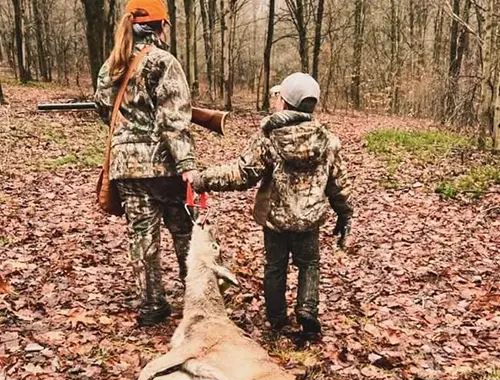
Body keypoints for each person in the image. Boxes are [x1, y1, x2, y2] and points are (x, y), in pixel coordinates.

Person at [187, 73, 353, 342]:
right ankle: (307, 309)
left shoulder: (269, 137)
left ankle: (277, 319)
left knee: (275, 267)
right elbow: (338, 183)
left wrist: (204, 179)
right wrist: (345, 212)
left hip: (275, 220)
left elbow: (241, 174)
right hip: (309, 220)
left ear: (286, 103)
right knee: (309, 264)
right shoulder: (328, 140)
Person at [95, 0, 197, 327]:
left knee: (142, 236)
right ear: (161, 25)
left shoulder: (111, 65)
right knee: (185, 233)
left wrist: (132, 129)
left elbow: (104, 111)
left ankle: (152, 305)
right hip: (163, 166)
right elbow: (174, 121)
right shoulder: (163, 61)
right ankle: (197, 298)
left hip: (126, 166)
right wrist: (188, 164)